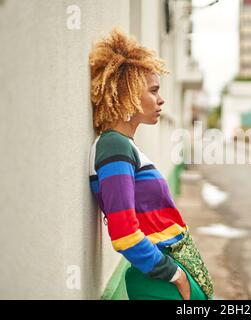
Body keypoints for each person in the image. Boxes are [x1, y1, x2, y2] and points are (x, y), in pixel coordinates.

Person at [87, 28, 214, 300]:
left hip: (160, 274)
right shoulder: (113, 146)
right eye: (153, 91)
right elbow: (123, 230)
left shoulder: (124, 146)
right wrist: (174, 274)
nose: (161, 100)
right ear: (127, 94)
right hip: (156, 279)